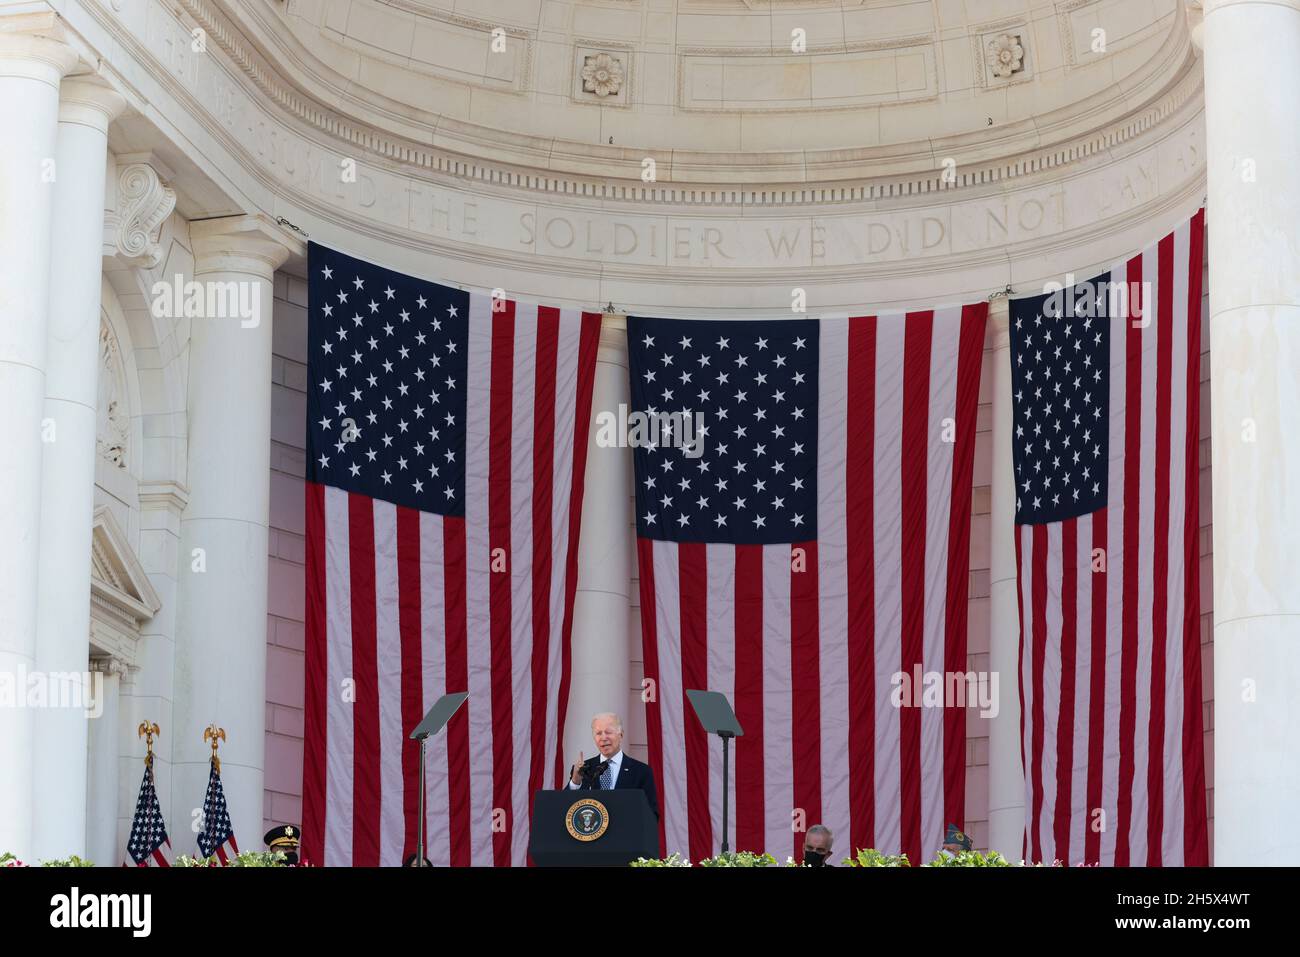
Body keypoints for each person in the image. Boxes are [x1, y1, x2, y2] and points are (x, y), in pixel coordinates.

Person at [567, 712, 659, 819]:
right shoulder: (583, 769)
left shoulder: (641, 771)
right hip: (590, 832)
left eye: (608, 732)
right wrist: (575, 782)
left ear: (621, 735)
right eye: (598, 733)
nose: (603, 738)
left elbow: (651, 814)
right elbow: (566, 807)